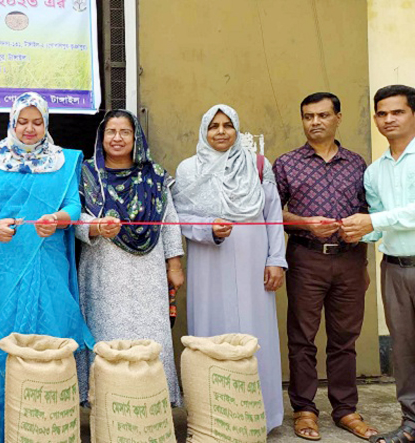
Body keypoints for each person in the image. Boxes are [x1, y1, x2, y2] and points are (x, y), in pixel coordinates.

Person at [0, 92, 94, 443]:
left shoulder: (62, 161)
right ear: (12, 122)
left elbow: (73, 205)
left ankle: (52, 427)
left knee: (53, 336)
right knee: (6, 339)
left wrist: (56, 219)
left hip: (48, 256)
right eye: (22, 121)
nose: (29, 129)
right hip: (5, 261)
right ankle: (5, 431)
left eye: (37, 121)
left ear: (46, 124)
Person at [171, 104, 287, 433]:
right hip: (210, 259)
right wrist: (207, 229)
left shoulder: (257, 165)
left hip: (254, 261)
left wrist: (276, 259)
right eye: (213, 126)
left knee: (256, 332)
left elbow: (273, 215)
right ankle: (213, 418)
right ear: (203, 131)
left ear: (237, 130)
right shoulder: (189, 169)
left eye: (227, 126)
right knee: (212, 330)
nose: (220, 132)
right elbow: (180, 217)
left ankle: (260, 417)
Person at [273, 92, 376, 440]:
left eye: (322, 115)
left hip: (349, 259)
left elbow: (368, 212)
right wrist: (305, 223)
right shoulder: (287, 163)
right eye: (307, 116)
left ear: (338, 118)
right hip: (306, 258)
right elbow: (273, 214)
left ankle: (345, 409)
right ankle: (304, 409)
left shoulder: (357, 163)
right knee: (302, 338)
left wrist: (362, 261)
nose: (315, 122)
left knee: (345, 339)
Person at [75, 109, 184, 405]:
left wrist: (174, 263)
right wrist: (95, 227)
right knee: (105, 333)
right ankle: (107, 402)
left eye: (125, 132)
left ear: (136, 138)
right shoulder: (86, 174)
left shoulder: (155, 176)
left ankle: (154, 400)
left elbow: (169, 220)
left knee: (152, 335)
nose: (118, 138)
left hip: (147, 271)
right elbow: (73, 219)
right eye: (111, 132)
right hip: (103, 270)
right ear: (101, 137)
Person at [341, 85, 415, 443]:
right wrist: (352, 231)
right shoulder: (374, 171)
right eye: (382, 113)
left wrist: (373, 222)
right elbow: (375, 223)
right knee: (403, 349)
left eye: (397, 112)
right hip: (395, 268)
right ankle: (411, 424)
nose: (388, 119)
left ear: (413, 114)